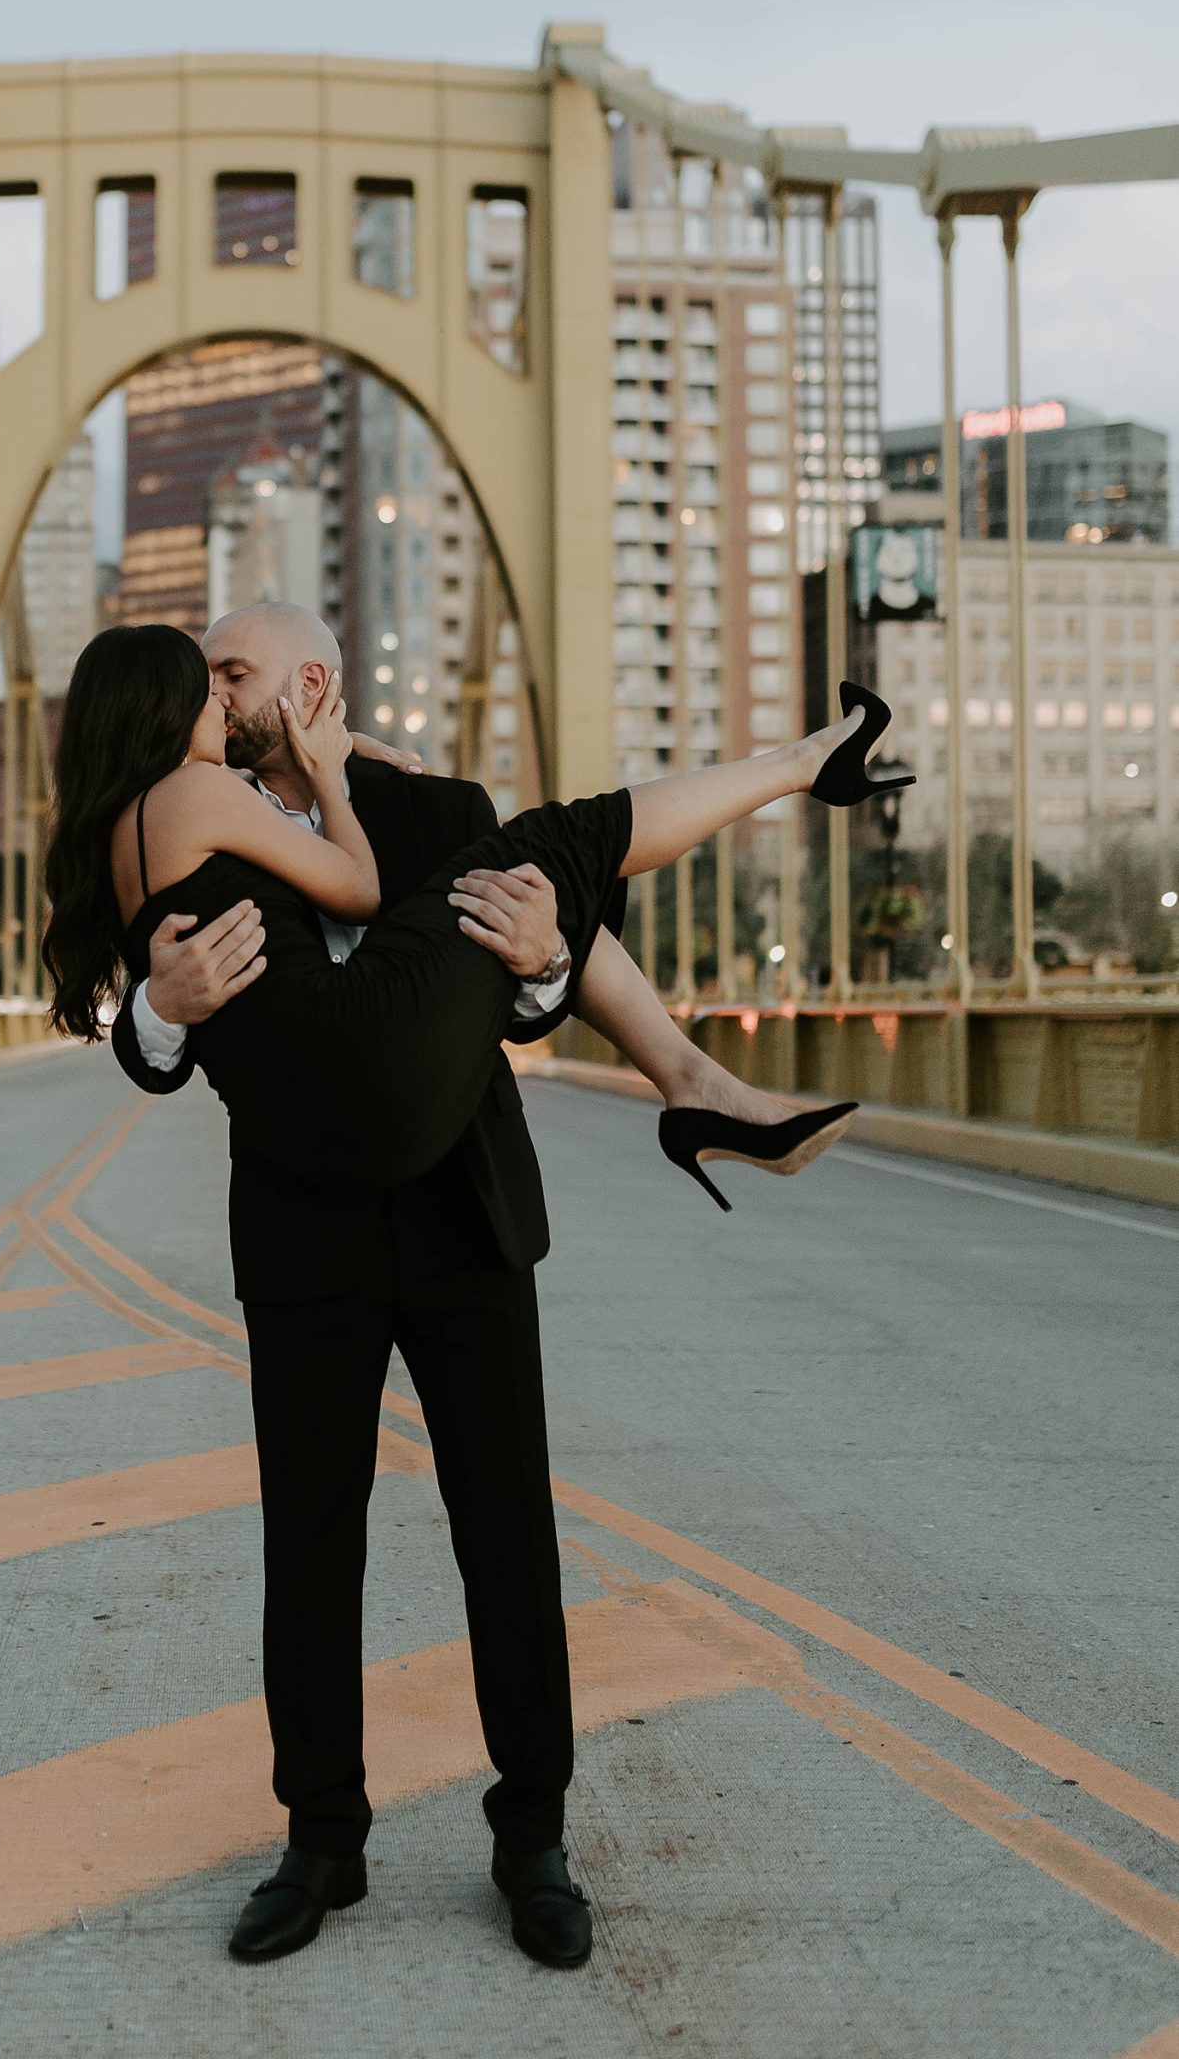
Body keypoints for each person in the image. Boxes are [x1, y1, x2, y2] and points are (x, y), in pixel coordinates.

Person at [42, 611, 876, 1969]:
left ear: (311, 683)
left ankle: (533, 1837)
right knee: (311, 1547)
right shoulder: (192, 810)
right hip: (307, 1233)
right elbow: (146, 1046)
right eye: (207, 678)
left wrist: (546, 956)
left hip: (461, 1218)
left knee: (509, 1533)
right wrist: (161, 1005)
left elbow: (526, 1001)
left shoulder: (434, 809)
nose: (220, 694)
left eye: (237, 671)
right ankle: (321, 1839)